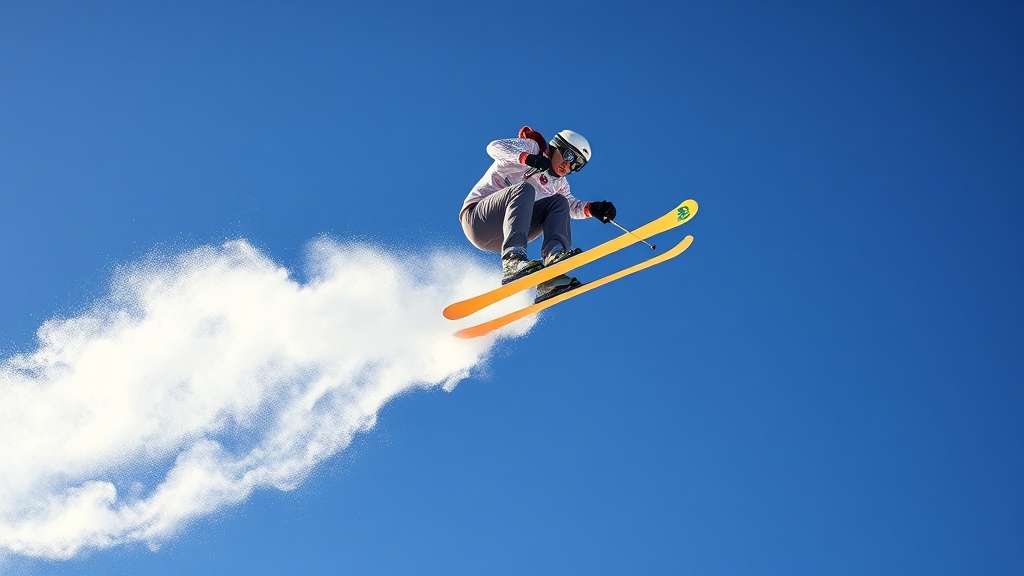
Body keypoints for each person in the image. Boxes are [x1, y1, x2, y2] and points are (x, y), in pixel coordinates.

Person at [459, 126, 617, 303]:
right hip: (478, 219)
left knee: (560, 202)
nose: (568, 165)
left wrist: (593, 209)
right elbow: (494, 147)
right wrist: (527, 158)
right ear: (557, 146)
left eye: (577, 165)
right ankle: (513, 261)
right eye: (569, 156)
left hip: (505, 234)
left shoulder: (560, 184)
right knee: (526, 190)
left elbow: (572, 207)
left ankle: (552, 269)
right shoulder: (533, 148)